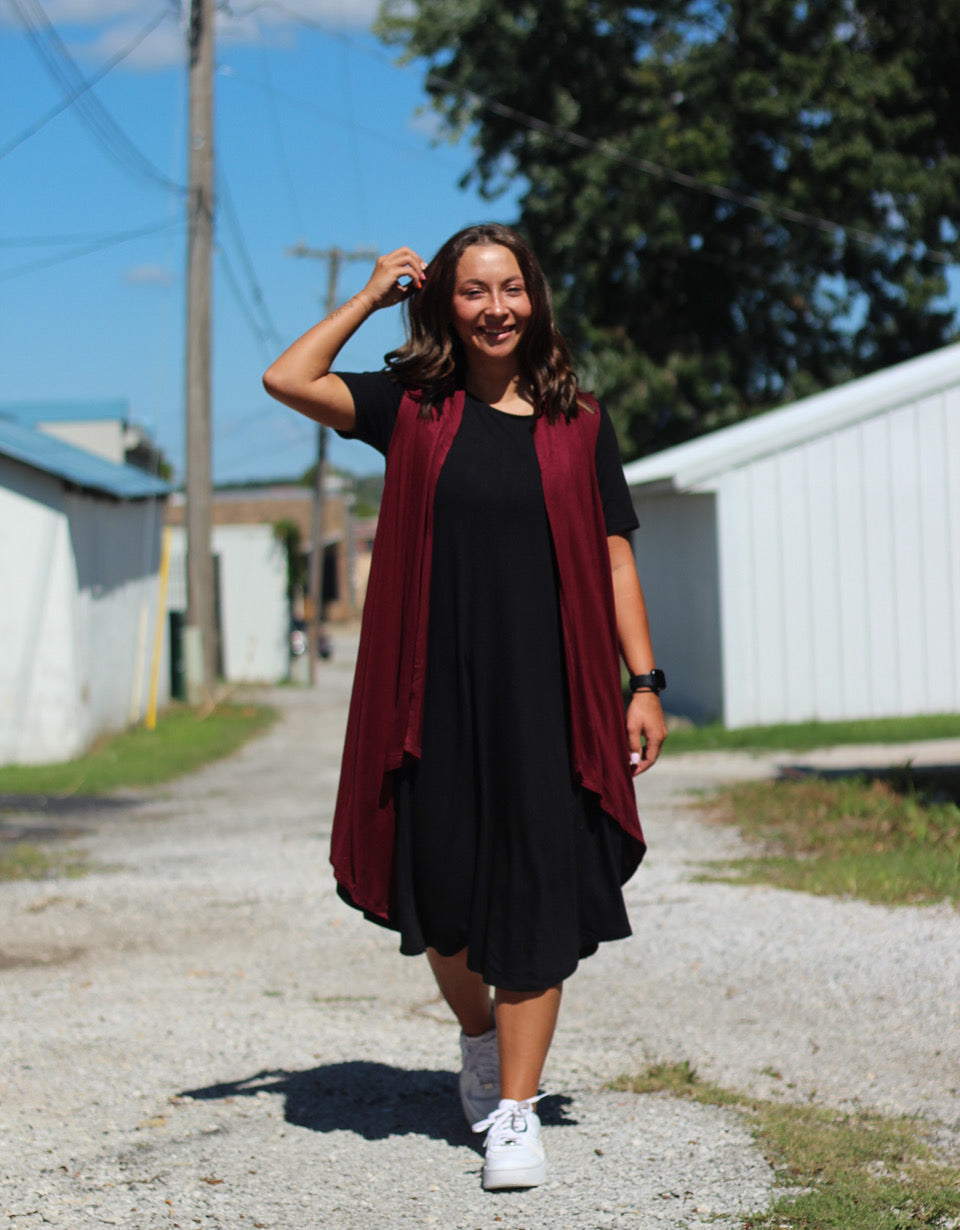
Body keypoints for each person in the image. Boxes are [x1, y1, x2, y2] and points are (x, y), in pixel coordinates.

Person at [263, 223, 667, 1191]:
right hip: (433, 690)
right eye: (475, 291)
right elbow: (288, 378)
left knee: (534, 891)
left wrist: (643, 682)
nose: (496, 309)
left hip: (551, 694)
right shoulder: (413, 407)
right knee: (440, 904)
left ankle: (517, 1112)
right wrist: (367, 299)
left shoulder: (582, 422)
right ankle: (480, 1037)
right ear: (447, 303)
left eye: (512, 289)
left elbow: (615, 553)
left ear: (536, 299)